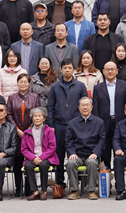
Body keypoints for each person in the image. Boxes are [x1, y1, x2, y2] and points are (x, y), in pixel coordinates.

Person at [48, 60, 88, 189]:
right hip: (59, 125)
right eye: (64, 68)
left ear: (74, 70)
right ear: (61, 70)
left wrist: (83, 123)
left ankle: (77, 183)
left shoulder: (80, 86)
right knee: (59, 155)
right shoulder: (55, 86)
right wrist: (51, 125)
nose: (67, 70)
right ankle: (60, 183)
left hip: (76, 125)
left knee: (76, 153)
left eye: (69, 68)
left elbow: (85, 105)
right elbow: (50, 107)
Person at [64, 97, 106, 200]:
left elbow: (102, 140)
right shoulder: (72, 123)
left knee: (91, 163)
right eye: (83, 105)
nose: (85, 107)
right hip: (77, 154)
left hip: (92, 154)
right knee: (70, 163)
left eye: (87, 105)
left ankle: (91, 191)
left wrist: (96, 153)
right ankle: (74, 191)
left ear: (91, 107)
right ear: (79, 107)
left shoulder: (99, 122)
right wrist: (72, 153)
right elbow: (68, 140)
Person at [5, 73, 39, 196]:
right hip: (16, 133)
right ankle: (18, 188)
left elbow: (37, 114)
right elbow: (8, 114)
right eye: (21, 82)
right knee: (18, 160)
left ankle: (29, 188)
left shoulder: (35, 97)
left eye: (25, 82)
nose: (23, 84)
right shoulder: (12, 97)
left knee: (29, 160)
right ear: (17, 83)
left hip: (31, 133)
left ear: (29, 83)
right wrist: (17, 129)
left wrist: (29, 130)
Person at [93, 61, 126, 167]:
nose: (110, 71)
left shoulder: (125, 85)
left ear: (117, 71)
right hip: (104, 123)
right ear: (103, 72)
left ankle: (119, 177)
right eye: (107, 69)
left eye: (112, 69)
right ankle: (107, 176)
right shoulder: (98, 87)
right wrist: (97, 123)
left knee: (120, 152)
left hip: (120, 122)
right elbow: (95, 107)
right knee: (105, 153)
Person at [21, 107, 58, 200]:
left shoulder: (49, 131)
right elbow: (24, 149)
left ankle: (44, 191)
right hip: (32, 157)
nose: (37, 118)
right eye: (35, 116)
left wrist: (41, 157)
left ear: (44, 118)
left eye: (39, 116)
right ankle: (35, 191)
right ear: (32, 118)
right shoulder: (27, 132)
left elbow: (52, 147)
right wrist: (33, 158)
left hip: (46, 157)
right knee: (28, 166)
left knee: (43, 165)